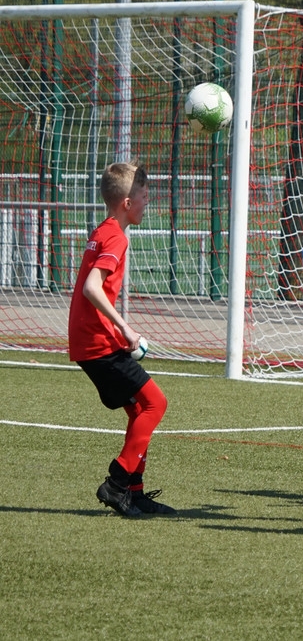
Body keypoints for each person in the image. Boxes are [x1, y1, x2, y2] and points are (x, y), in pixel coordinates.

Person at [68, 161, 176, 518]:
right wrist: (125, 328)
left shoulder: (104, 230)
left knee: (139, 409)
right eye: (144, 196)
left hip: (93, 340)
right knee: (155, 404)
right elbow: (91, 287)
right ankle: (116, 484)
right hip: (96, 343)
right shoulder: (115, 236)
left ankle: (135, 492)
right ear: (128, 203)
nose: (148, 201)